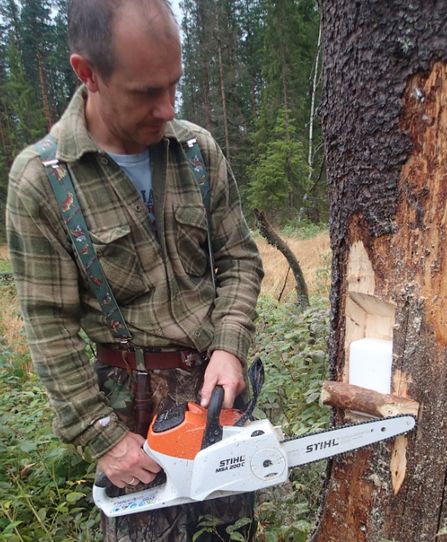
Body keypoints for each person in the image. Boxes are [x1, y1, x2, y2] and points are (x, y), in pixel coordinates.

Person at [6, 0, 263, 540]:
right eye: (147, 92)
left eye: (174, 85)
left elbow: (239, 258)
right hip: (132, 410)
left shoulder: (198, 151)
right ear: (87, 74)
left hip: (218, 397)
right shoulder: (43, 182)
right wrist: (102, 436)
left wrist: (230, 344)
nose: (168, 107)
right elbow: (49, 329)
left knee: (231, 533)